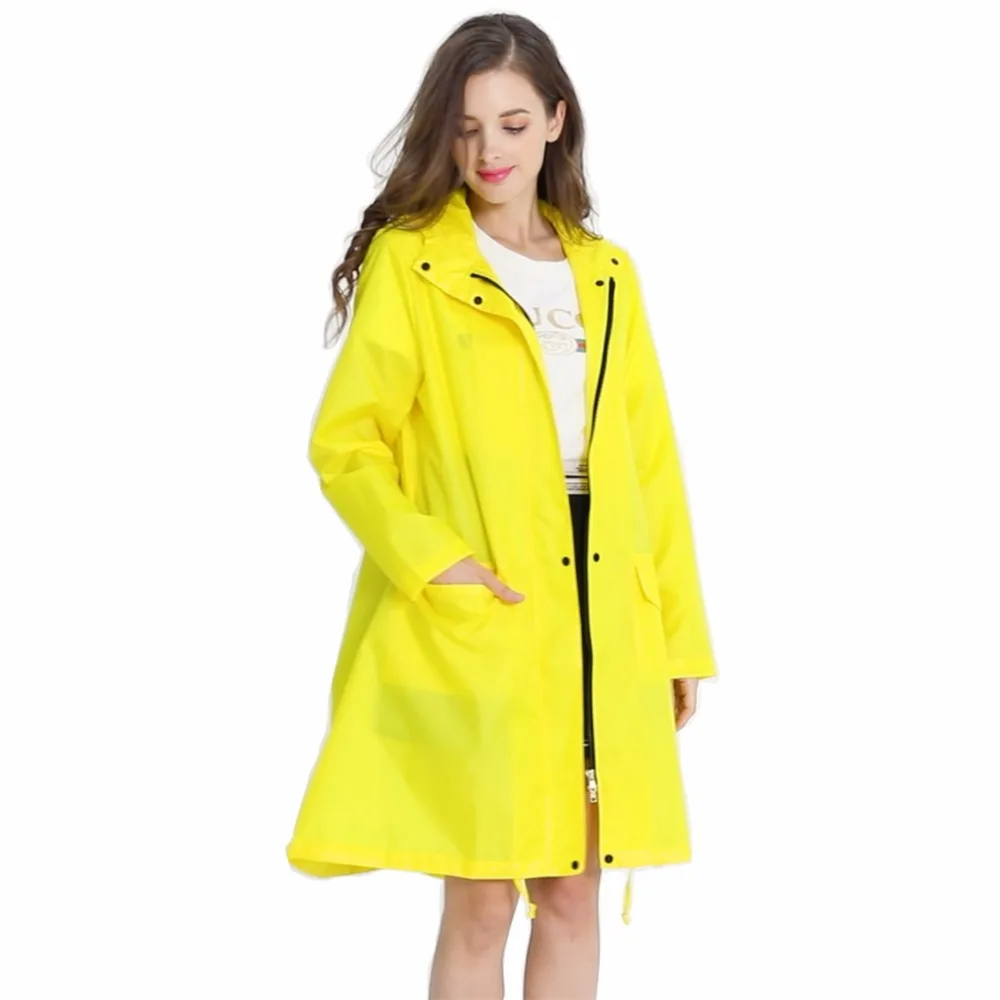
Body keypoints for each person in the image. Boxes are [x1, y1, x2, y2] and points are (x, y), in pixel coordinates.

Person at [285, 12, 718, 1000]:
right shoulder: (415, 262)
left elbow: (652, 467)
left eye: (514, 124)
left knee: (571, 890)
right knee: (481, 896)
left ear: (557, 121)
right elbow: (347, 445)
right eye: (468, 128)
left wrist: (677, 639)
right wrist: (434, 558)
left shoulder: (607, 274)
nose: (490, 150)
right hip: (489, 597)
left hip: (605, 605)